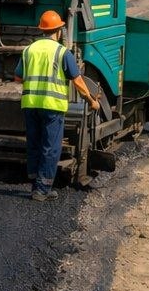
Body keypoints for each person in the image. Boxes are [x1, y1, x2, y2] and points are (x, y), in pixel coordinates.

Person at [15, 11, 100, 201]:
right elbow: (78, 82)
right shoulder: (62, 52)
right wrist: (92, 101)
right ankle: (42, 189)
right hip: (52, 106)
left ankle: (35, 183)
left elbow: (18, 77)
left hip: (30, 105)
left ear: (42, 30)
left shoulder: (29, 50)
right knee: (50, 147)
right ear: (59, 30)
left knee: (34, 144)